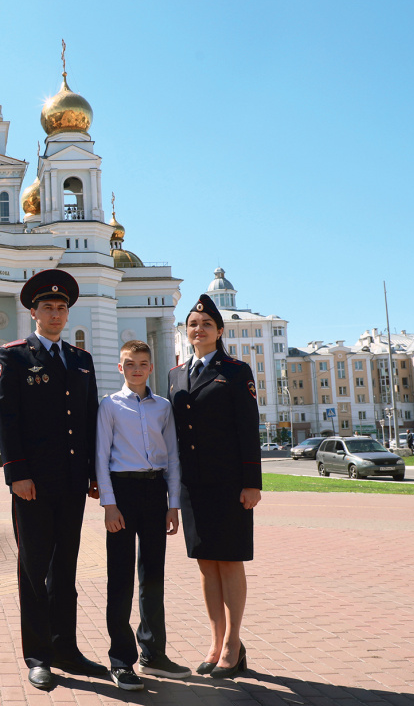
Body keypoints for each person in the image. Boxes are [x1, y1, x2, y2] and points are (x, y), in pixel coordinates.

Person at [0, 268, 106, 692]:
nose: (56, 314)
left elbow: (89, 420)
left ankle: (66, 649)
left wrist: (94, 475)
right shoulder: (15, 356)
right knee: (33, 568)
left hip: (73, 482)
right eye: (48, 308)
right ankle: (38, 656)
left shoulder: (80, 361)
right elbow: (6, 418)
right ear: (34, 313)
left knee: (66, 570)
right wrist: (17, 473)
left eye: (62, 308)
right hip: (32, 485)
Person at [167, 293, 262, 679]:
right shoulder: (175, 374)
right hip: (193, 486)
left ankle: (233, 644)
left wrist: (251, 482)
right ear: (186, 331)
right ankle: (215, 639)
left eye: (206, 324)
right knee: (206, 565)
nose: (199, 329)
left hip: (228, 484)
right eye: (193, 324)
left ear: (219, 331)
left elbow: (248, 429)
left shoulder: (237, 371)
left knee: (230, 560)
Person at [96, 340, 189, 691]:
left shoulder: (163, 407)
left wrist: (173, 504)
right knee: (119, 578)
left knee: (153, 576)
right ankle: (121, 660)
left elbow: (174, 456)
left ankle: (154, 653)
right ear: (121, 368)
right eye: (130, 363)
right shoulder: (109, 405)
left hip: (154, 494)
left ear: (151, 367)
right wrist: (109, 505)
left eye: (143, 363)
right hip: (122, 493)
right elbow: (100, 456)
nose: (137, 369)